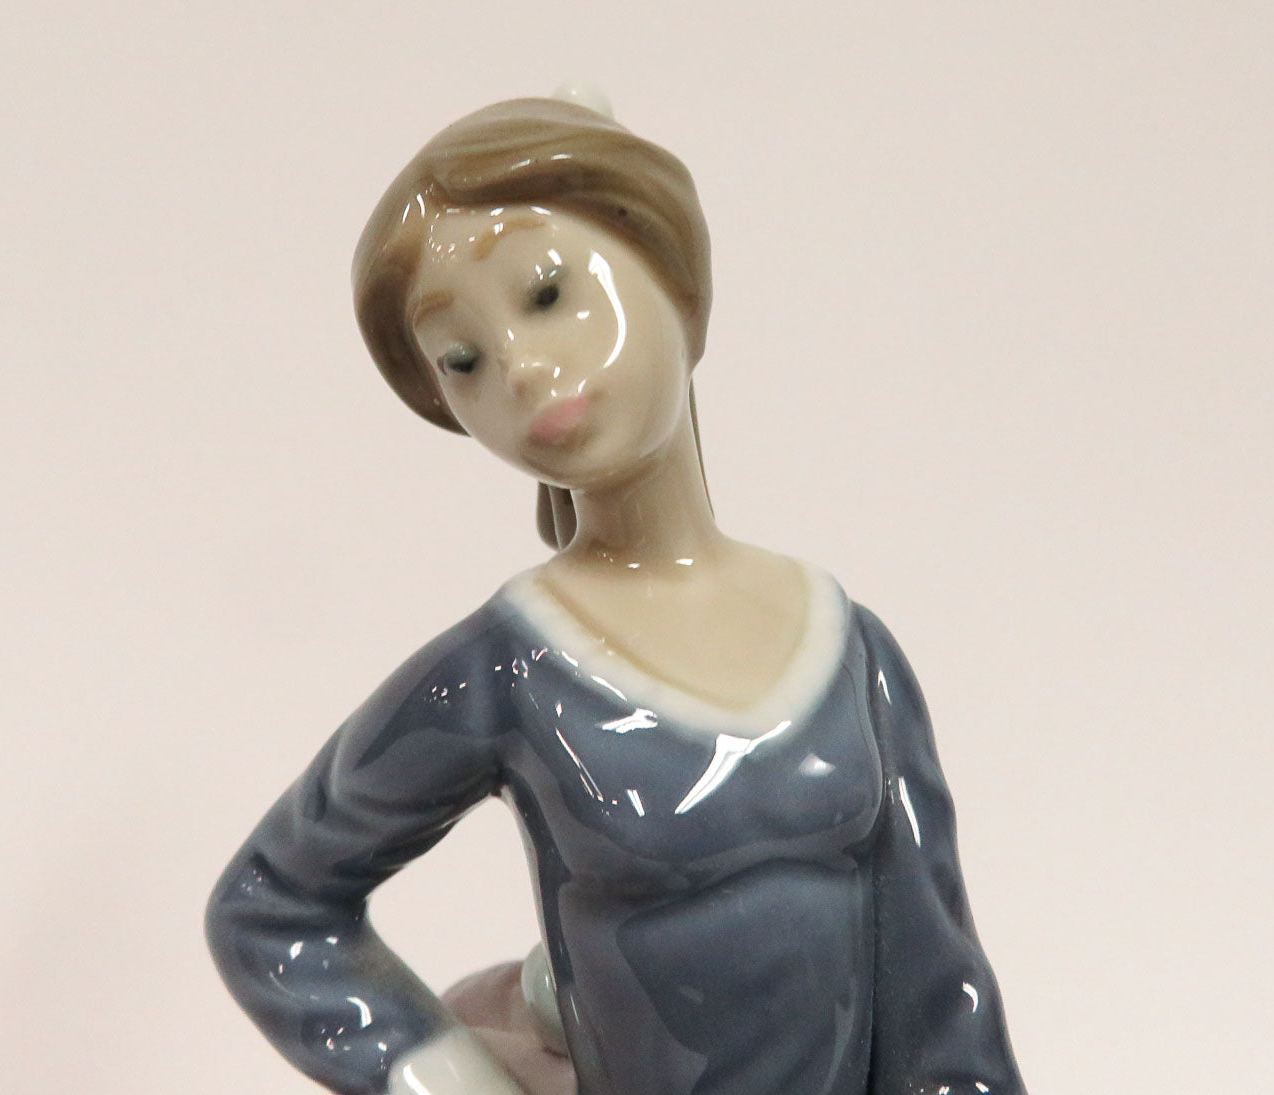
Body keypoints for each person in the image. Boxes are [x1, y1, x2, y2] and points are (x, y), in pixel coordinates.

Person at [206, 95, 1027, 1095]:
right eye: (462, 359)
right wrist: (447, 1079)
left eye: (547, 293)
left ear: (669, 267)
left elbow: (938, 993)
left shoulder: (851, 651)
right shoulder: (505, 672)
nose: (521, 367)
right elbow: (272, 905)